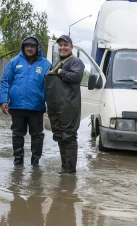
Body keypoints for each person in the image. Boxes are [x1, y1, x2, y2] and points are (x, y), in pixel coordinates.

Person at [0, 35, 51, 167]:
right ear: (23, 47)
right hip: (17, 106)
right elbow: (5, 81)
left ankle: (35, 163)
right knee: (17, 134)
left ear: (37, 48)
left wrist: (50, 104)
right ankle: (18, 162)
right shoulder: (14, 62)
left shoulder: (46, 64)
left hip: (37, 107)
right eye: (27, 46)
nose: (29, 48)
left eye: (32, 46)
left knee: (37, 135)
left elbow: (50, 87)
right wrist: (4, 100)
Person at [45, 35, 86, 174]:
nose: (62, 48)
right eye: (60, 45)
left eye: (65, 45)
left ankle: (70, 171)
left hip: (69, 106)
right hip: (55, 106)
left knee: (69, 136)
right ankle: (64, 168)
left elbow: (76, 77)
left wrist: (61, 71)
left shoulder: (76, 62)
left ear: (71, 47)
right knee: (59, 135)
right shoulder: (56, 61)